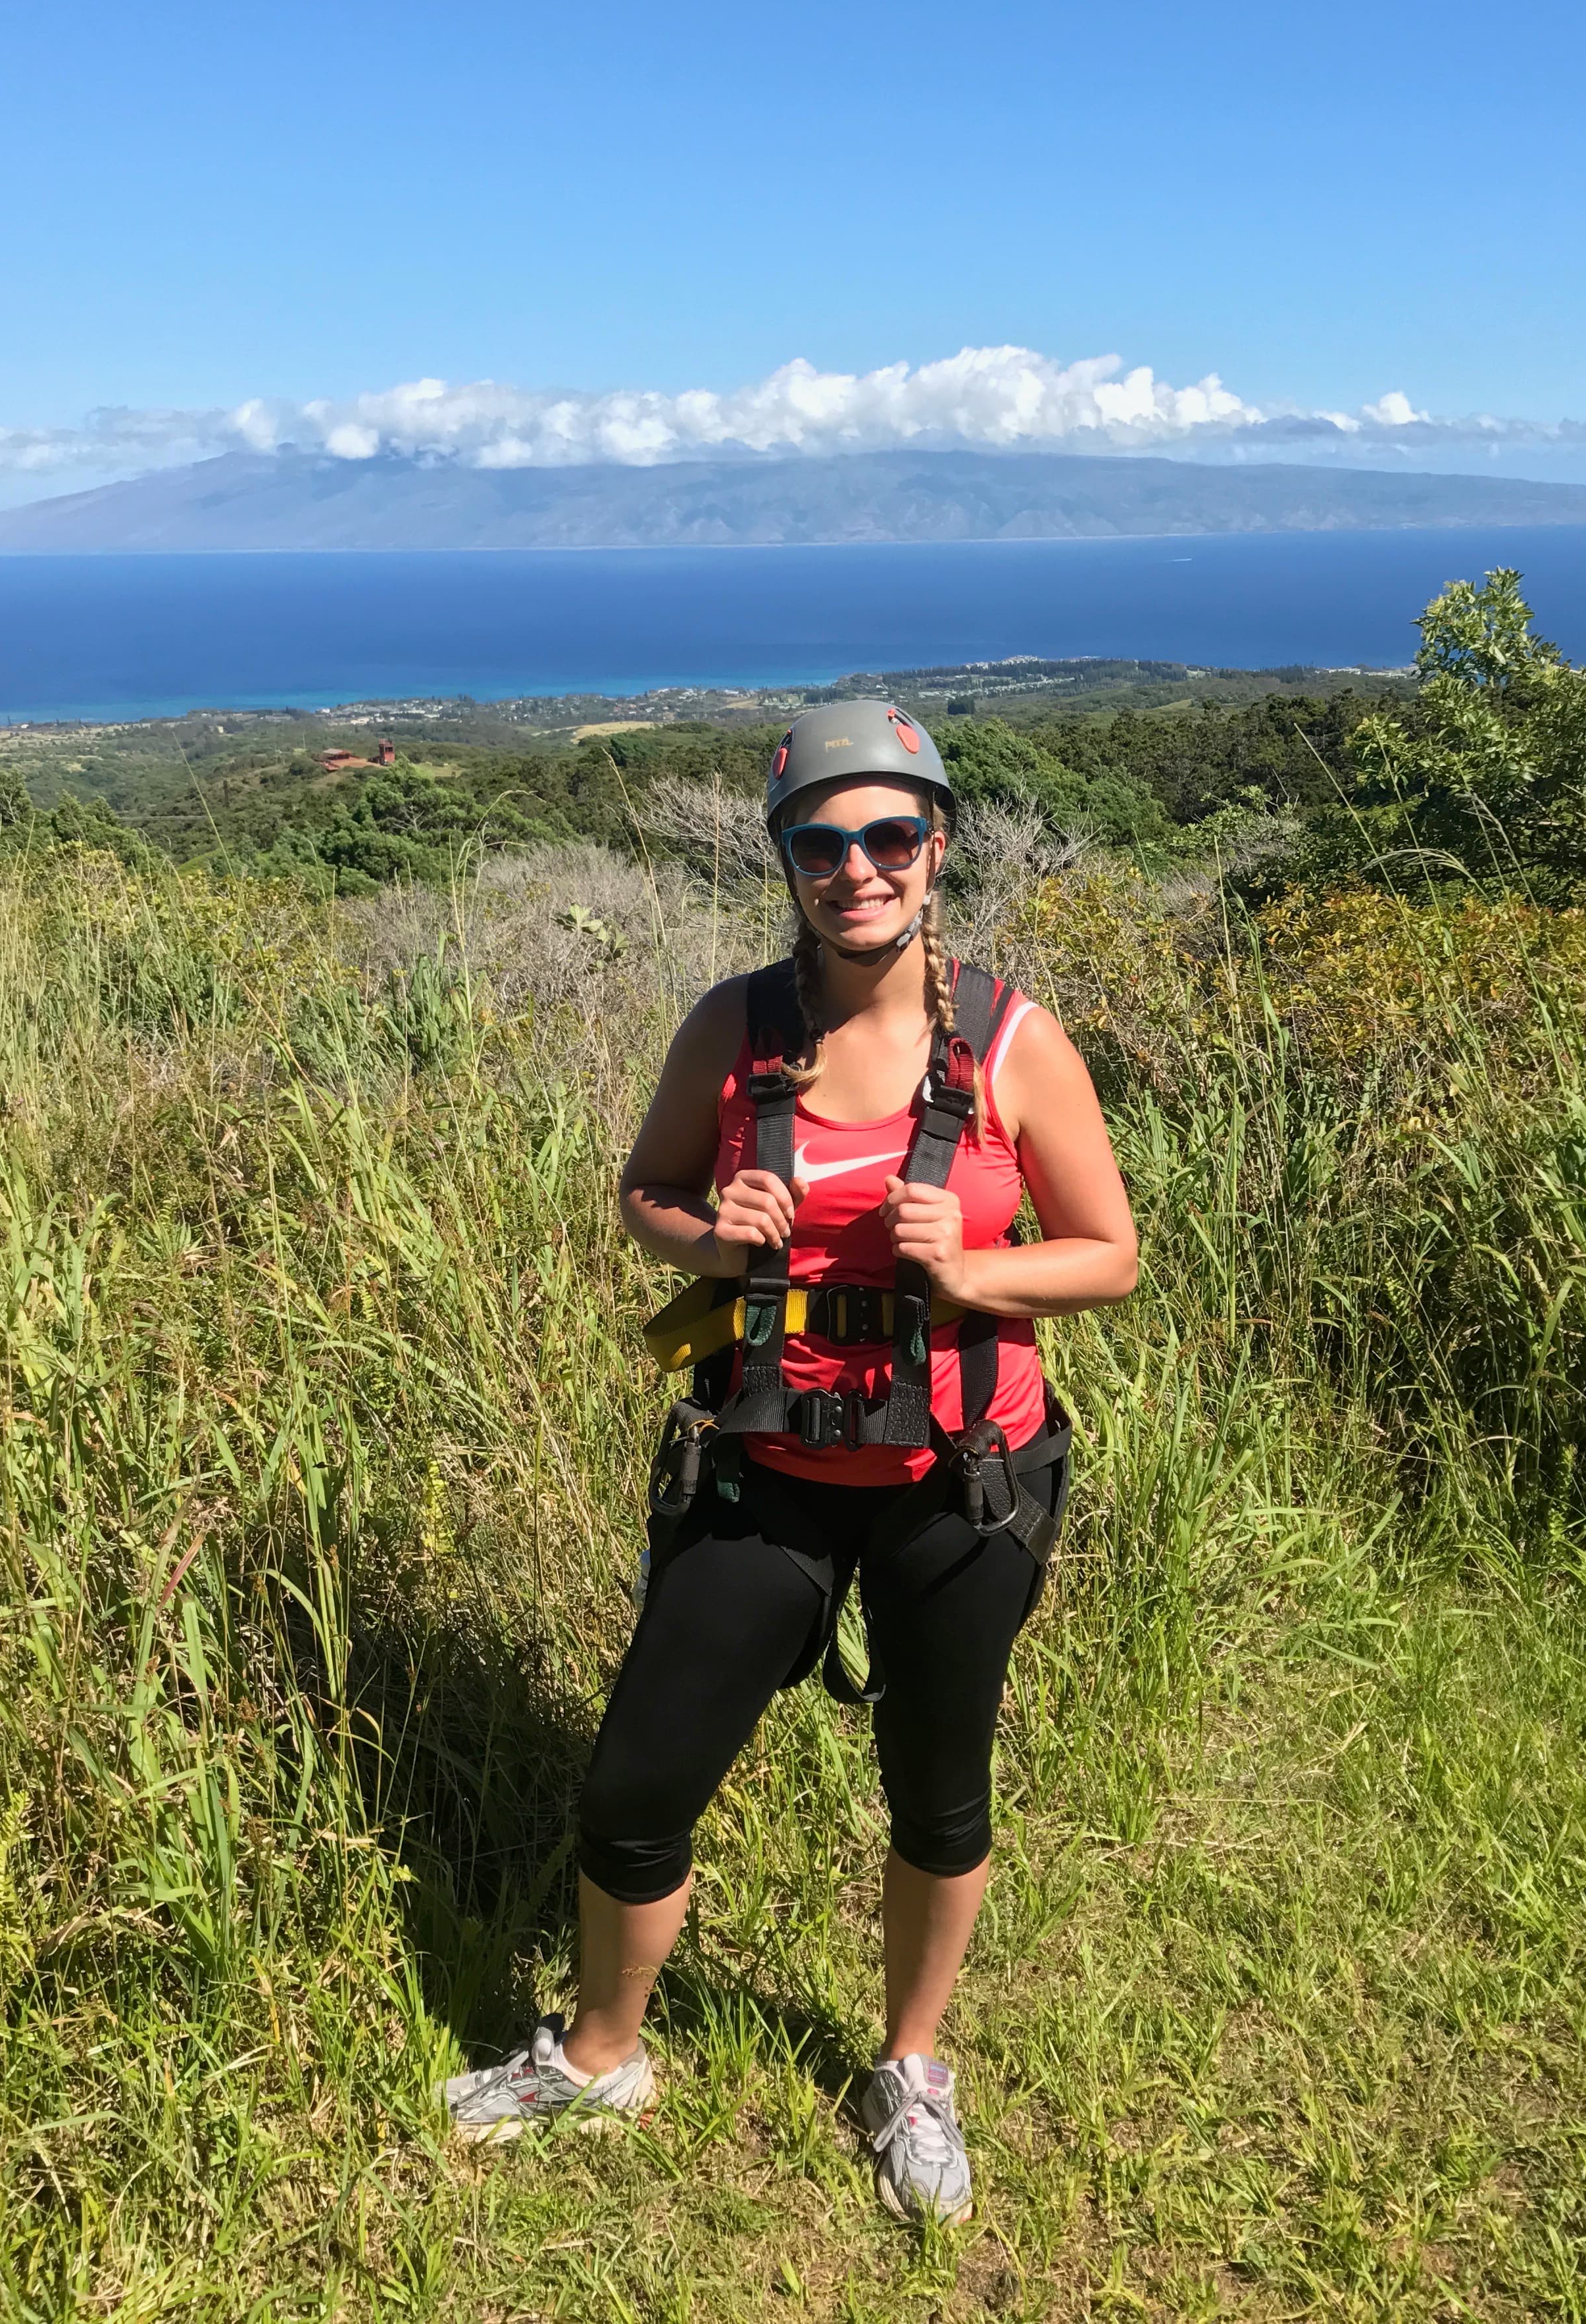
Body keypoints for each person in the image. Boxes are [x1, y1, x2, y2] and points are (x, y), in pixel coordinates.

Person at [441, 702, 1138, 2223]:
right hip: (762, 1463)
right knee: (634, 1790)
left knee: (938, 1793)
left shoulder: (1014, 1043)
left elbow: (1110, 1253)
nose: (857, 870)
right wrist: (708, 1235)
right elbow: (645, 1191)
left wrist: (976, 1268)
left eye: (890, 837)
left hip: (963, 1476)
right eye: (822, 844)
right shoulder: (734, 1028)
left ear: (937, 850)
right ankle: (603, 2056)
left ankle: (911, 2068)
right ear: (787, 862)